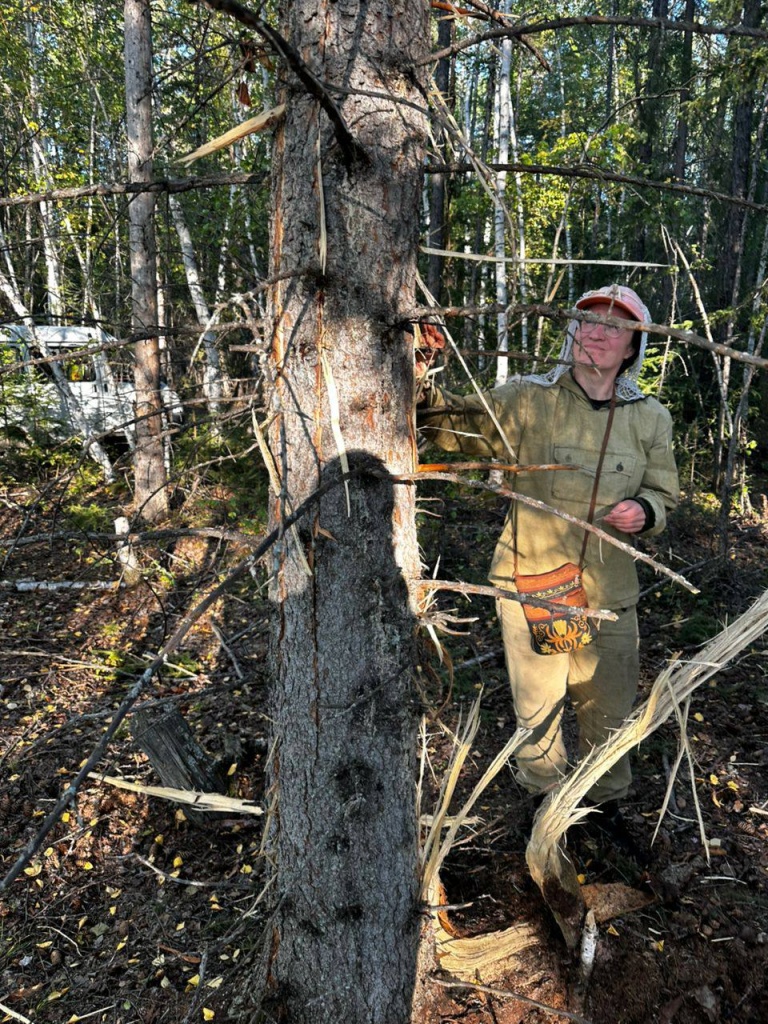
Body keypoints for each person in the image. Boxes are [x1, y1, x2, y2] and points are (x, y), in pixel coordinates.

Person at [416, 284, 679, 829]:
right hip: (533, 583)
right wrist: (419, 380)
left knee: (608, 711)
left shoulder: (649, 417)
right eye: (587, 322)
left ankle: (603, 815)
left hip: (610, 594)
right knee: (538, 713)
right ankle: (545, 814)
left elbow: (665, 492)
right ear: (571, 332)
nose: (597, 334)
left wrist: (645, 510)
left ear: (633, 346)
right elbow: (453, 426)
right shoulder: (528, 400)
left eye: (613, 326)